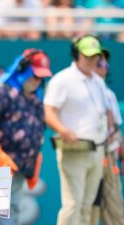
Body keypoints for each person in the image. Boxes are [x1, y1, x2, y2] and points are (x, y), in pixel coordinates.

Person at [44, 35, 111, 225]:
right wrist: (63, 130)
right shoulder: (63, 79)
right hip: (75, 149)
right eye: (87, 56)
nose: (92, 60)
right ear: (76, 54)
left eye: (95, 56)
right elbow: (48, 112)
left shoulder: (97, 80)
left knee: (87, 204)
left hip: (97, 150)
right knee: (73, 204)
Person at [0, 49, 53, 225]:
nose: (38, 81)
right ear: (23, 69)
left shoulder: (35, 95)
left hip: (21, 164)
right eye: (35, 76)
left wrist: (33, 160)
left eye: (41, 77)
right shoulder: (0, 89)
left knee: (11, 211)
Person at [90, 49, 124, 225]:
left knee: (114, 210)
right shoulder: (80, 91)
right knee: (87, 210)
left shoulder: (109, 94)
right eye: (98, 63)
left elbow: (117, 130)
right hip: (88, 158)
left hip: (109, 159)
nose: (103, 67)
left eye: (105, 64)